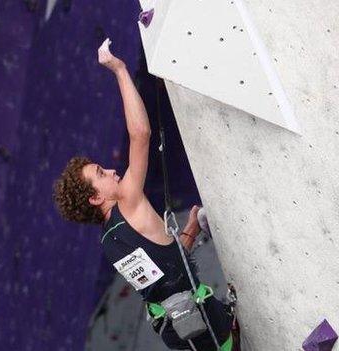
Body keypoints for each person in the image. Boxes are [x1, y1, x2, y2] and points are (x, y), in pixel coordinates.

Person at [53, 39, 238, 350]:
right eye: (101, 175)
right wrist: (120, 69)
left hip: (180, 334)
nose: (112, 171)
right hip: (204, 325)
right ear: (96, 199)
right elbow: (141, 134)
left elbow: (168, 272)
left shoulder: (110, 241)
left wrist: (191, 227)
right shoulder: (127, 201)